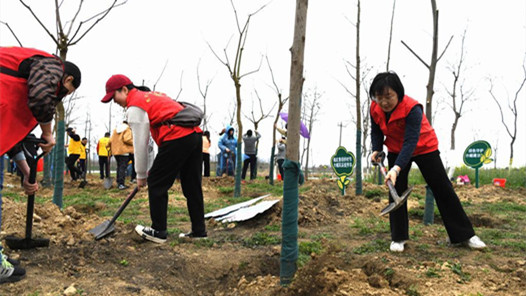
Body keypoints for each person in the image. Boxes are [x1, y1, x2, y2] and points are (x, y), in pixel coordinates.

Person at [368, 71, 486, 252]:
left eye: (388, 96)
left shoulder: (412, 108)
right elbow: (376, 130)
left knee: (442, 188)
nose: (384, 102)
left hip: (424, 147)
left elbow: (410, 142)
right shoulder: (375, 108)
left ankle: (465, 235)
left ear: (398, 93)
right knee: (396, 191)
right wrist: (377, 149)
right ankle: (398, 238)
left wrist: (396, 168)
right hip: (395, 148)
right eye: (379, 97)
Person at [0, 46, 81, 283]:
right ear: (67, 78)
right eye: (67, 91)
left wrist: (26, 173)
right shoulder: (51, 65)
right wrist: (48, 132)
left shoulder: (15, 92)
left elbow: (10, 140)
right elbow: (40, 99)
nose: (62, 97)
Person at [101, 74, 206, 243]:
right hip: (193, 135)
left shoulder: (135, 106)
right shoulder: (150, 96)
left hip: (176, 135)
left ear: (125, 90)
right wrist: (146, 169)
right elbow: (150, 144)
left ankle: (158, 231)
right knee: (192, 184)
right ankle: (199, 230)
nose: (115, 102)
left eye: (114, 97)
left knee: (157, 182)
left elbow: (140, 144)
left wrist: (141, 175)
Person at [108, 121, 134, 190]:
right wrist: (134, 142)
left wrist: (109, 147)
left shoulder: (115, 130)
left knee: (119, 167)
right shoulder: (127, 129)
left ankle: (119, 182)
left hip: (116, 151)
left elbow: (110, 141)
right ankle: (121, 184)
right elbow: (127, 139)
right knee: (123, 167)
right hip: (124, 151)